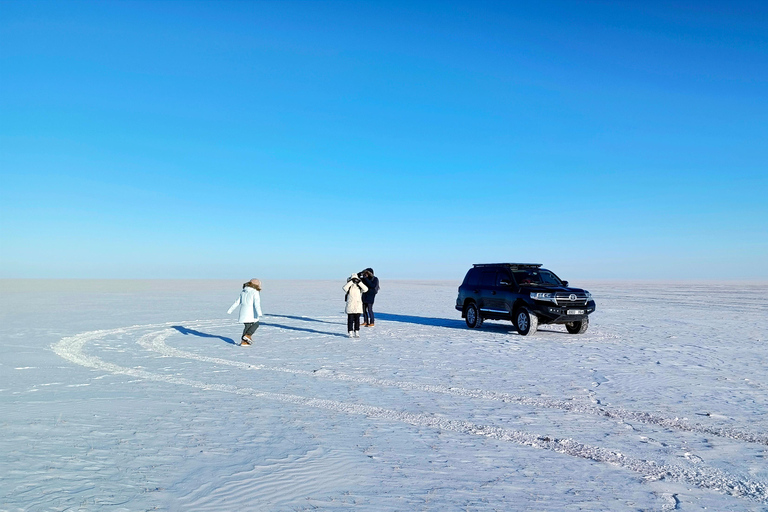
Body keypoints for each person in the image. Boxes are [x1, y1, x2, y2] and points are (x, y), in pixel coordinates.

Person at [227, 278, 263, 346]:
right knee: (256, 324)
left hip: (243, 312)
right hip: (251, 312)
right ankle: (248, 336)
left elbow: (237, 302)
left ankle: (244, 341)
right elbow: (257, 304)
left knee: (247, 326)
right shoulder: (255, 292)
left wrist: (230, 310)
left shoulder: (243, 291)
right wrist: (259, 313)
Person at [343, 273, 368, 338]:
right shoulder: (349, 286)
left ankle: (357, 331)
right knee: (350, 320)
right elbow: (344, 288)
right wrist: (351, 282)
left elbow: (365, 289)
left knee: (357, 319)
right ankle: (350, 332)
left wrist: (359, 282)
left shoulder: (359, 287)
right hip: (350, 305)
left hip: (357, 305)